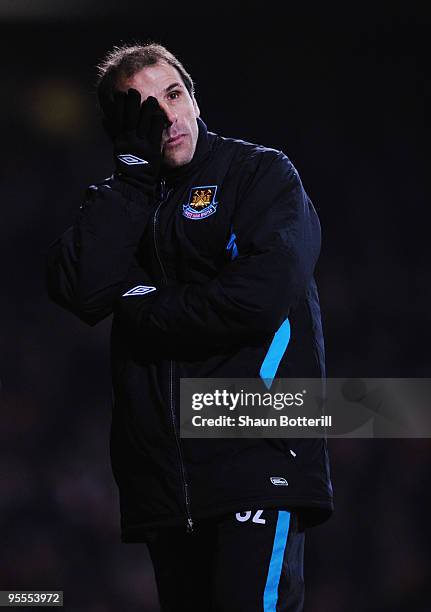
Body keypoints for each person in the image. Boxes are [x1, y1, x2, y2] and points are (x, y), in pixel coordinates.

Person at [46, 42, 333, 612]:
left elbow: (260, 297)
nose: (168, 116)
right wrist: (130, 178)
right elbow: (80, 290)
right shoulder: (118, 203)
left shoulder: (260, 174)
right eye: (144, 109)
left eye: (174, 95)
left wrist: (145, 307)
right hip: (163, 481)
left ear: (195, 99)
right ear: (121, 128)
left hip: (255, 452)